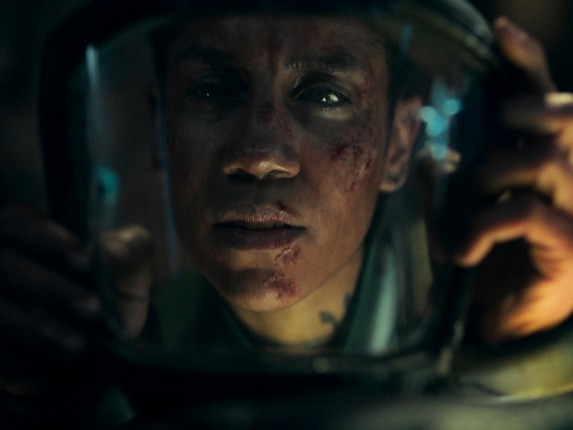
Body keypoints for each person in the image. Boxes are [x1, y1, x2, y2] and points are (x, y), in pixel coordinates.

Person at [1, 2, 573, 427]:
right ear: (160, 131)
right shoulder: (119, 351)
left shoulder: (476, 319)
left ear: (399, 146)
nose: (259, 155)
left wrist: (530, 356)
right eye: (213, 90)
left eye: (324, 95)